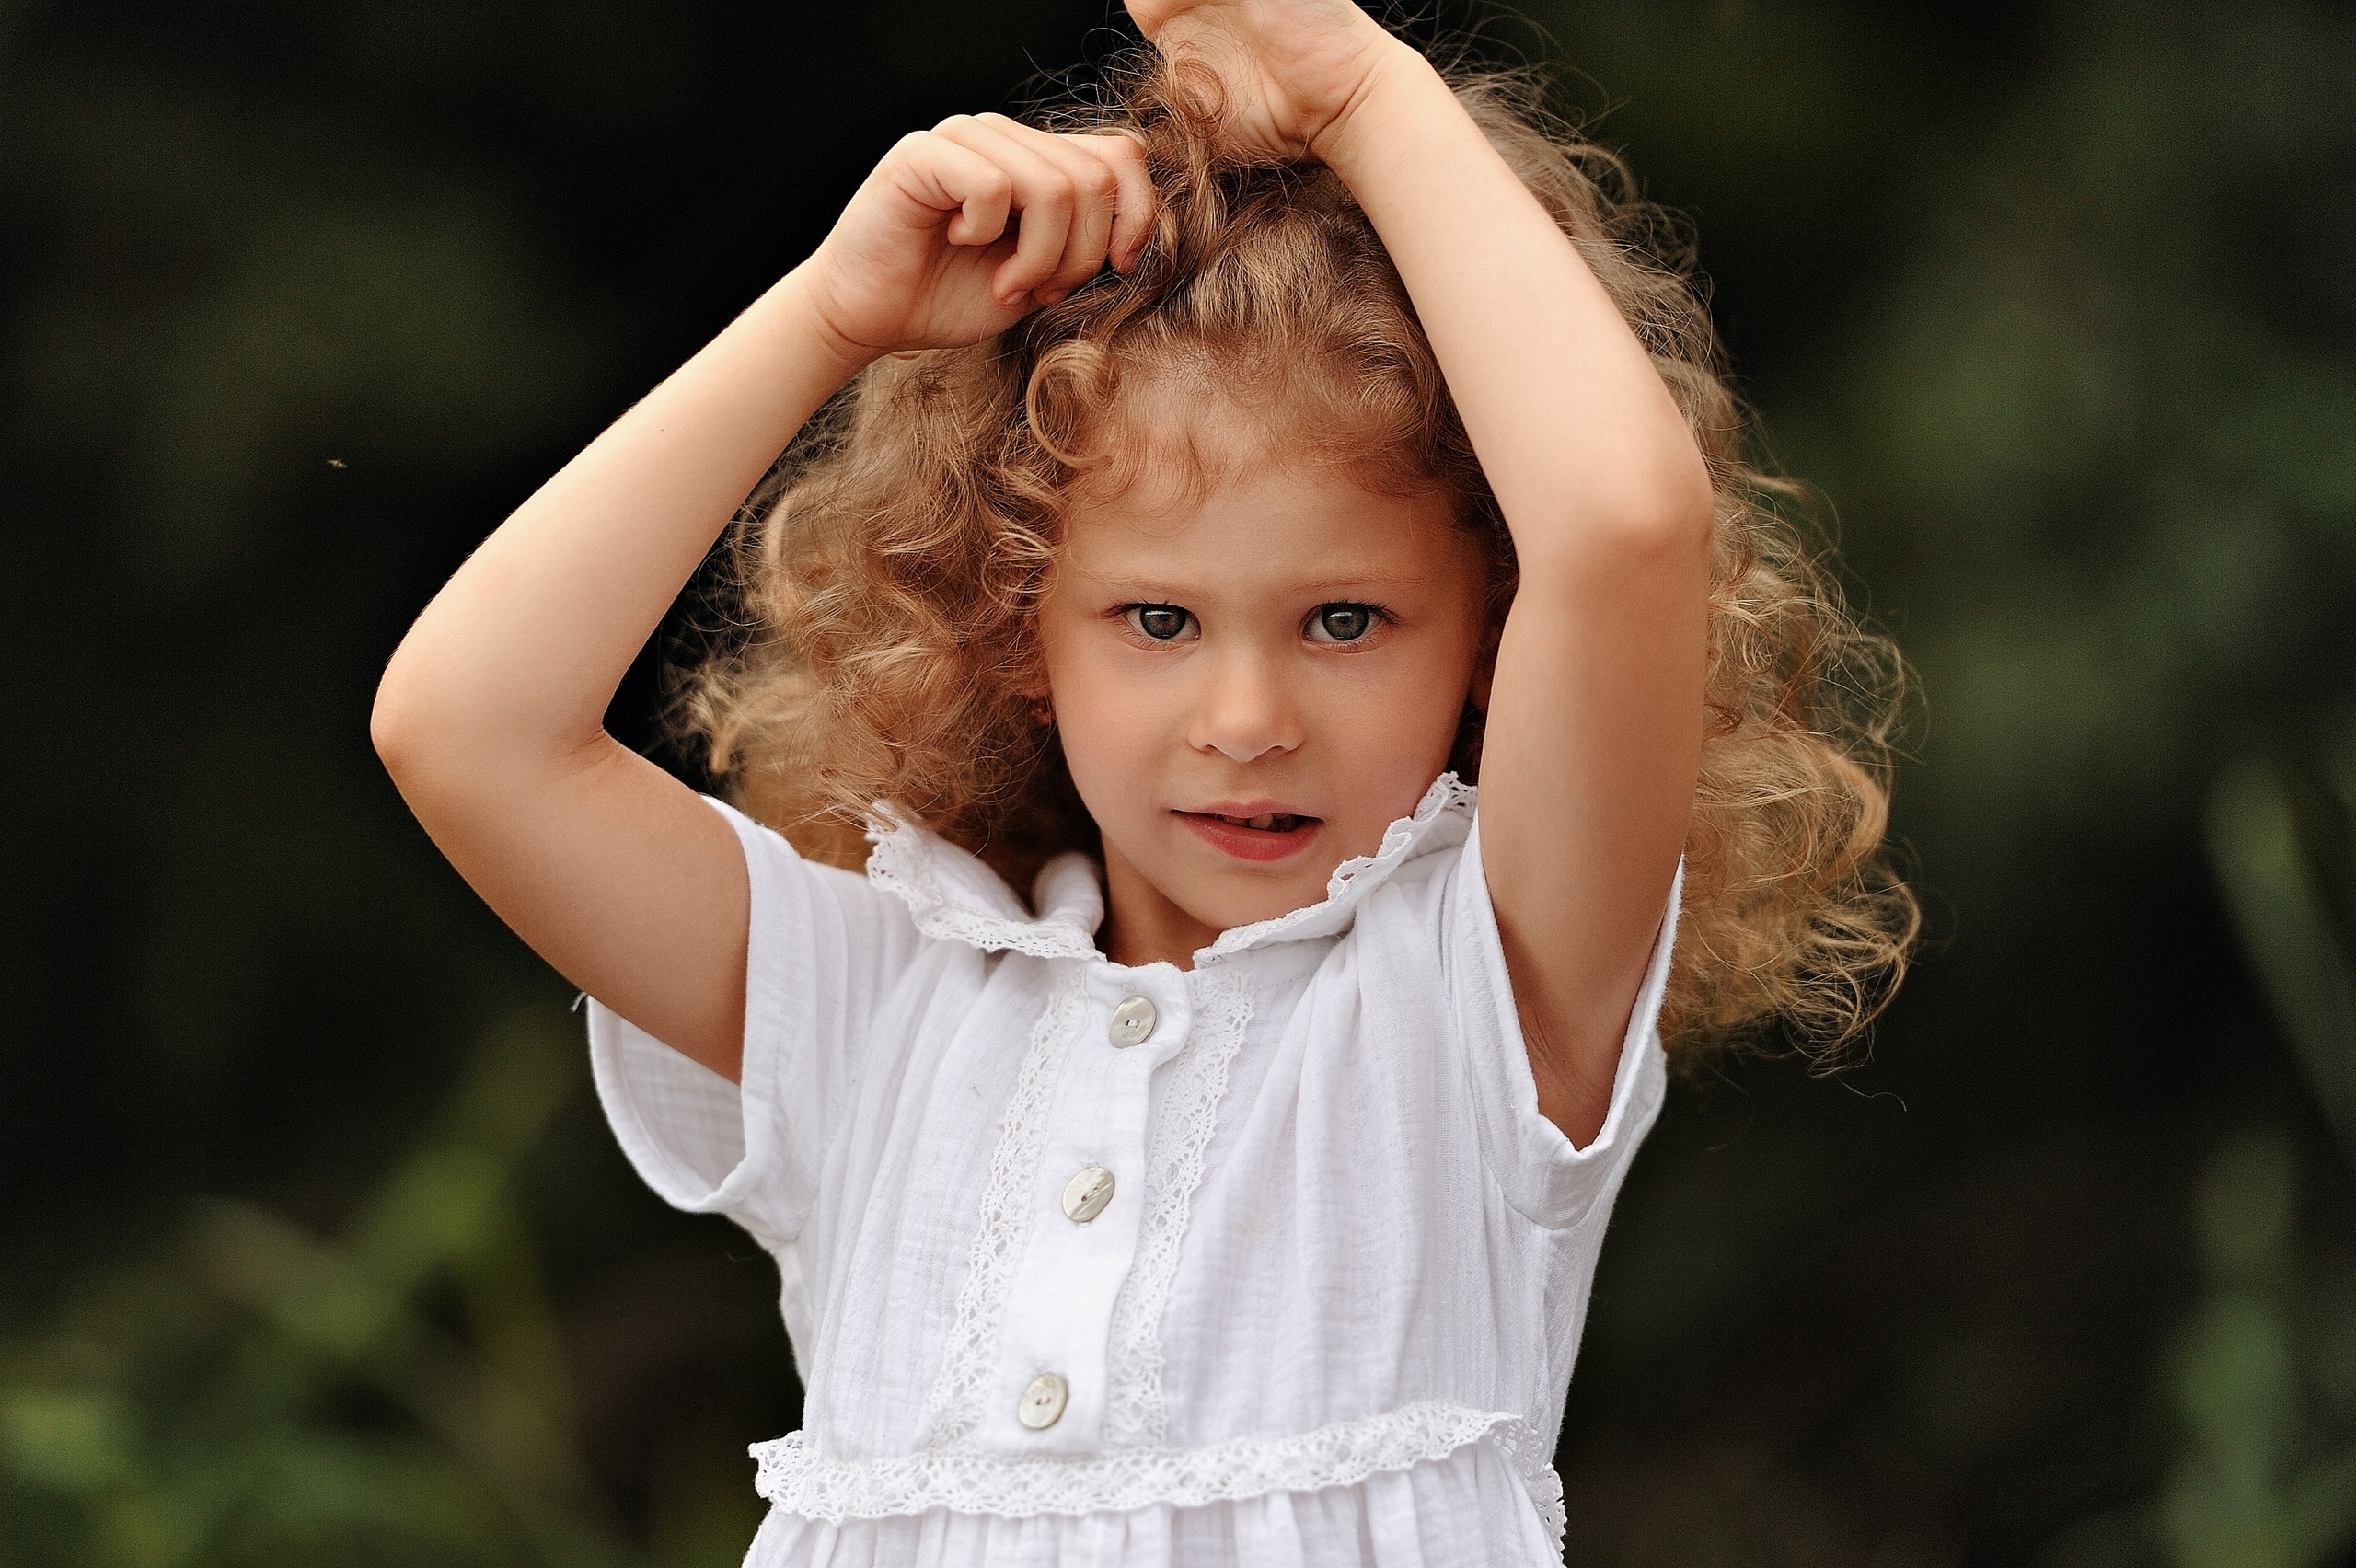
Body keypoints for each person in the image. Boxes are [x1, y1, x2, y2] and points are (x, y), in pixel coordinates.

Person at [372, 0, 1915, 1560]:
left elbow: (1624, 525)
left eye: (1345, 621)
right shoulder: (876, 1009)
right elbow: (469, 728)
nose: (1247, 721)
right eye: (1158, 622)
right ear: (1014, 625)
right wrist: (831, 316)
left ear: (1493, 640)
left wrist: (1362, 94)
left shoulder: (1482, 998)